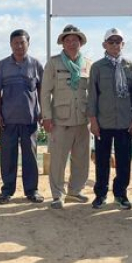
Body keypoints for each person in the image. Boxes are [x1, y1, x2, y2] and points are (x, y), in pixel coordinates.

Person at [87, 28, 132, 210]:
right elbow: (92, 96)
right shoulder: (97, 67)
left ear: (122, 44)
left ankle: (120, 194)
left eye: (118, 42)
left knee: (124, 161)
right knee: (102, 161)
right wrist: (93, 121)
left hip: (125, 122)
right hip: (103, 122)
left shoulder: (130, 66)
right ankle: (100, 194)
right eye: (111, 42)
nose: (115, 45)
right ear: (104, 45)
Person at [41, 25, 92, 209]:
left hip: (82, 120)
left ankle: (75, 191)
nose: (71, 43)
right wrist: (46, 117)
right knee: (58, 160)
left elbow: (92, 93)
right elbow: (45, 92)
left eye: (75, 40)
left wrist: (93, 118)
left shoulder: (88, 64)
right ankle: (57, 195)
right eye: (67, 40)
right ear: (62, 43)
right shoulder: (53, 63)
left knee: (82, 159)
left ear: (80, 42)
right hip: (60, 120)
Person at [0, 29, 44, 204]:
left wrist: (42, 111)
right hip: (7, 119)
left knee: (30, 157)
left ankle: (32, 190)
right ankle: (7, 191)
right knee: (8, 157)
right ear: (10, 44)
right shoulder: (2, 66)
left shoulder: (35, 65)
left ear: (28, 44)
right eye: (16, 43)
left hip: (30, 119)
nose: (19, 46)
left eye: (22, 42)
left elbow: (42, 89)